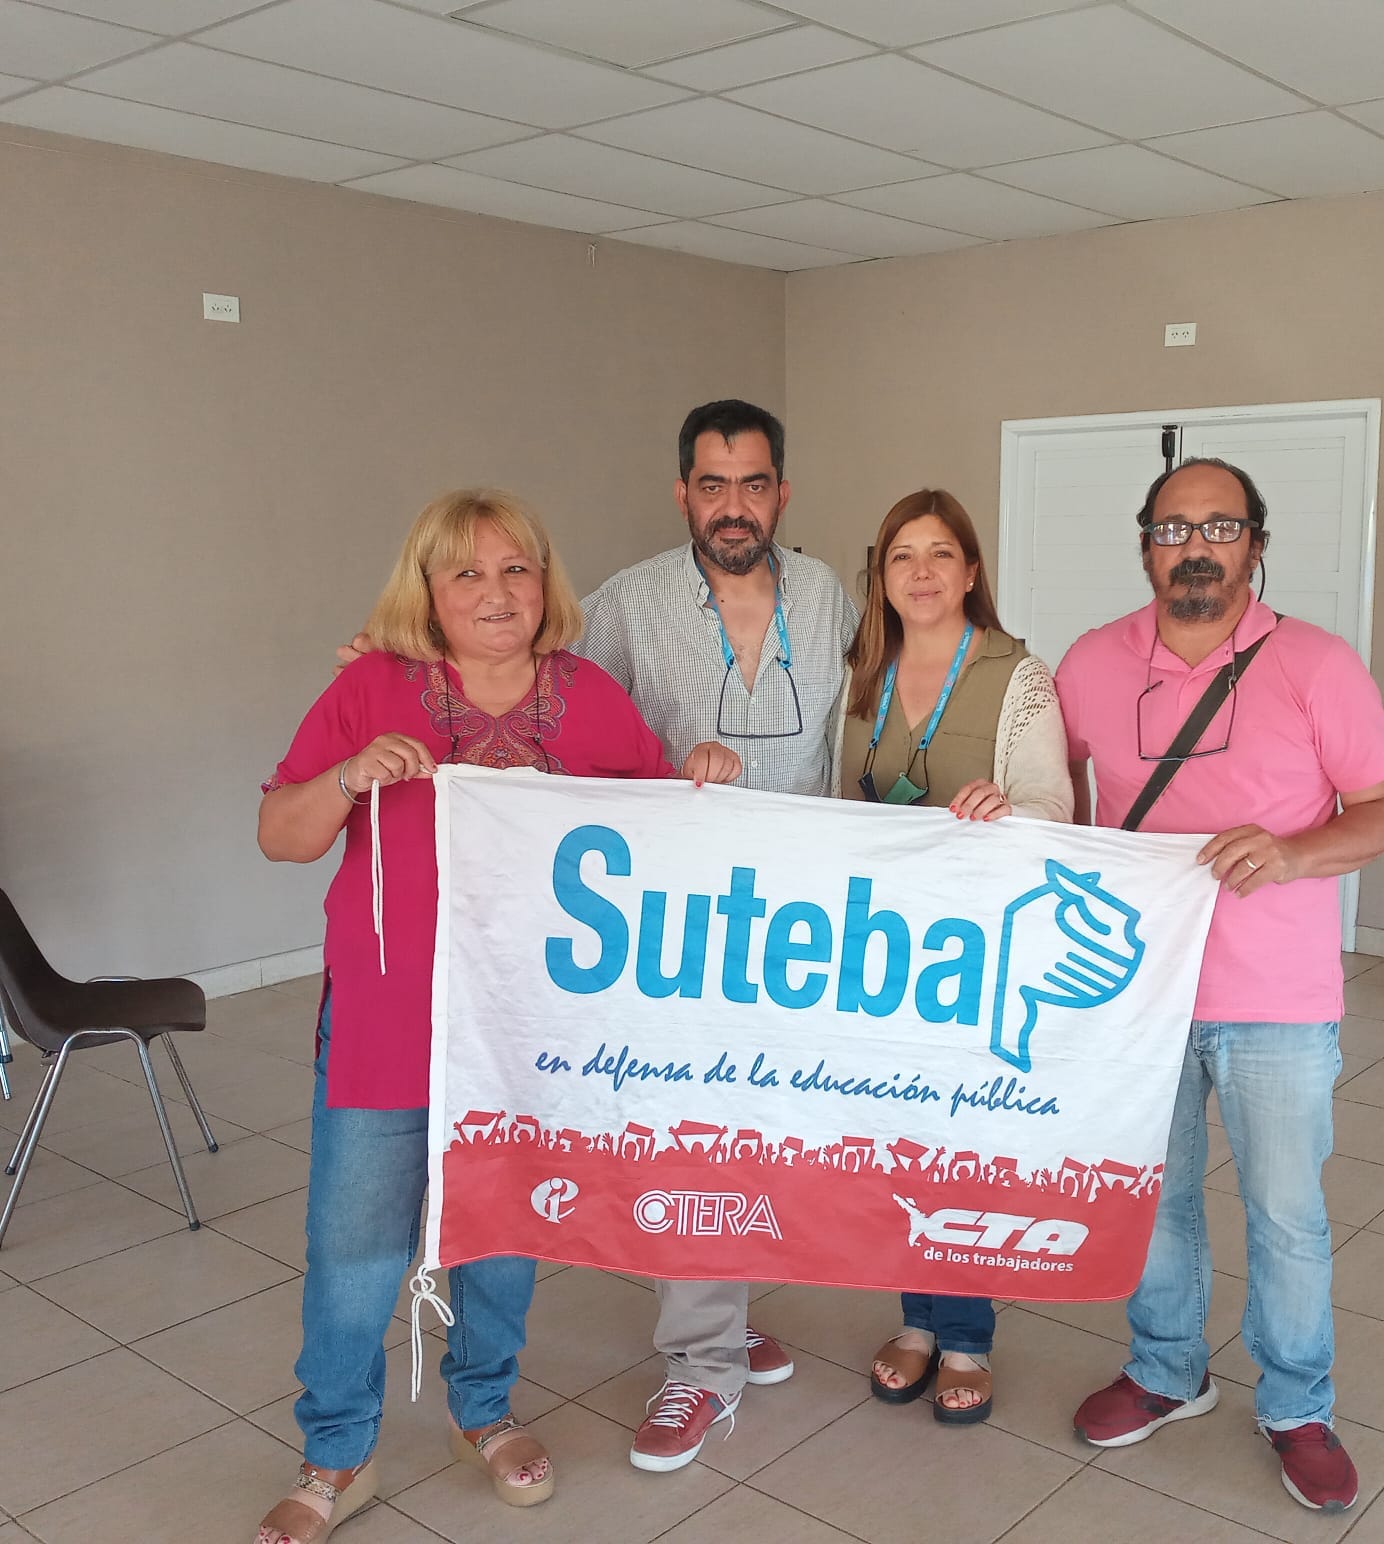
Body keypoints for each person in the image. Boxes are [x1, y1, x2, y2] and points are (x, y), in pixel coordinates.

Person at [255, 488, 740, 1544]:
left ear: (544, 582)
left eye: (516, 568)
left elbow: (662, 830)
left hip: (526, 1034)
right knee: (353, 1251)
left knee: (503, 1235)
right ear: (426, 589)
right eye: (467, 572)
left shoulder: (588, 695)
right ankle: (336, 1450)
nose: (496, 591)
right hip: (387, 1024)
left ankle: (484, 1409)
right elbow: (280, 835)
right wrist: (346, 776)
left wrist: (702, 778)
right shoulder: (372, 687)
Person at [1058, 459, 1384, 1514]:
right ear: (1145, 547)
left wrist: (1297, 852)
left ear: (1255, 544)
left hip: (1277, 999)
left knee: (1285, 1213)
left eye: (1219, 527)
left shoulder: (1315, 663)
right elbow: (1058, 798)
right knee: (1154, 1197)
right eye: (1173, 529)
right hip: (1138, 993)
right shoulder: (1088, 662)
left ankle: (1297, 1405)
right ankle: (1166, 1368)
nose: (1195, 548)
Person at [581, 399, 859, 1472]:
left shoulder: (827, 594)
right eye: (711, 484)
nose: (731, 506)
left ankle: (722, 1315)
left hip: (802, 924)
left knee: (766, 1129)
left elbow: (899, 692)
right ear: (682, 493)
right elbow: (542, 694)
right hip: (681, 927)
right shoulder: (628, 601)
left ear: (781, 492)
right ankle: (701, 1362)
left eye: (751, 484)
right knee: (692, 1130)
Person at [833, 489, 1073, 1424]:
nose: (921, 572)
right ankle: (917, 1321)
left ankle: (966, 1335)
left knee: (963, 1144)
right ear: (881, 576)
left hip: (974, 952)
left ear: (971, 571)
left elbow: (1054, 805)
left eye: (941, 553)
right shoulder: (861, 672)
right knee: (901, 1137)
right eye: (902, 555)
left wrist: (1009, 810)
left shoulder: (1020, 677)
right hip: (878, 950)